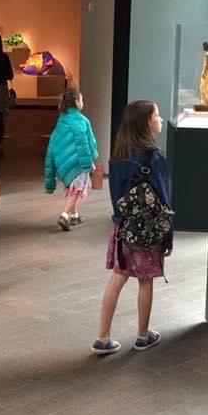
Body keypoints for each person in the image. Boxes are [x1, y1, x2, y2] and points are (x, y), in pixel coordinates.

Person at [93, 100, 172, 355]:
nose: (160, 119)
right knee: (145, 282)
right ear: (146, 121)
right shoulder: (154, 157)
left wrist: (119, 220)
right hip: (146, 232)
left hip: (122, 229)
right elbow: (163, 201)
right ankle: (142, 336)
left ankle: (102, 338)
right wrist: (168, 236)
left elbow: (115, 196)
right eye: (157, 115)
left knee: (118, 277)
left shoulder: (118, 155)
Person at [44, 87, 98, 231]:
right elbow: (84, 143)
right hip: (78, 163)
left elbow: (53, 144)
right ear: (76, 101)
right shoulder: (81, 120)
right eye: (82, 99)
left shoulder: (61, 120)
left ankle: (74, 216)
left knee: (72, 188)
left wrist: (51, 174)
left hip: (63, 164)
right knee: (76, 189)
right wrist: (89, 163)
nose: (83, 102)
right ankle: (65, 215)